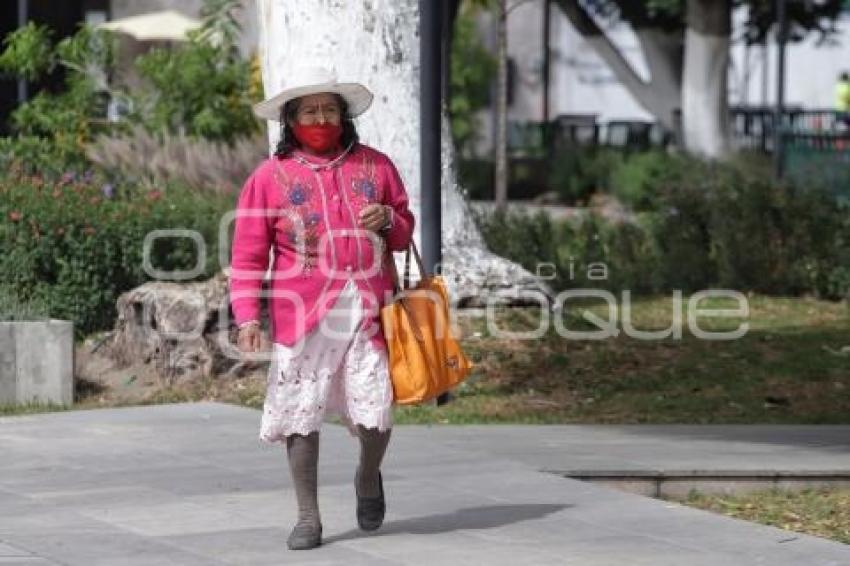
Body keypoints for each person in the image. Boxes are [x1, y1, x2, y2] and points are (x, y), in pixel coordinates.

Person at [229, 67, 415, 550]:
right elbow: (248, 254)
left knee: (375, 413)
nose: (320, 117)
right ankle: (308, 516)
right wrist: (248, 315)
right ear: (290, 119)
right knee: (299, 413)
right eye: (309, 110)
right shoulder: (269, 178)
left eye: (329, 109)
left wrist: (391, 218)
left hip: (370, 308)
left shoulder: (376, 167)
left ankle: (368, 476)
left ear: (344, 115)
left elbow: (404, 232)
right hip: (302, 311)